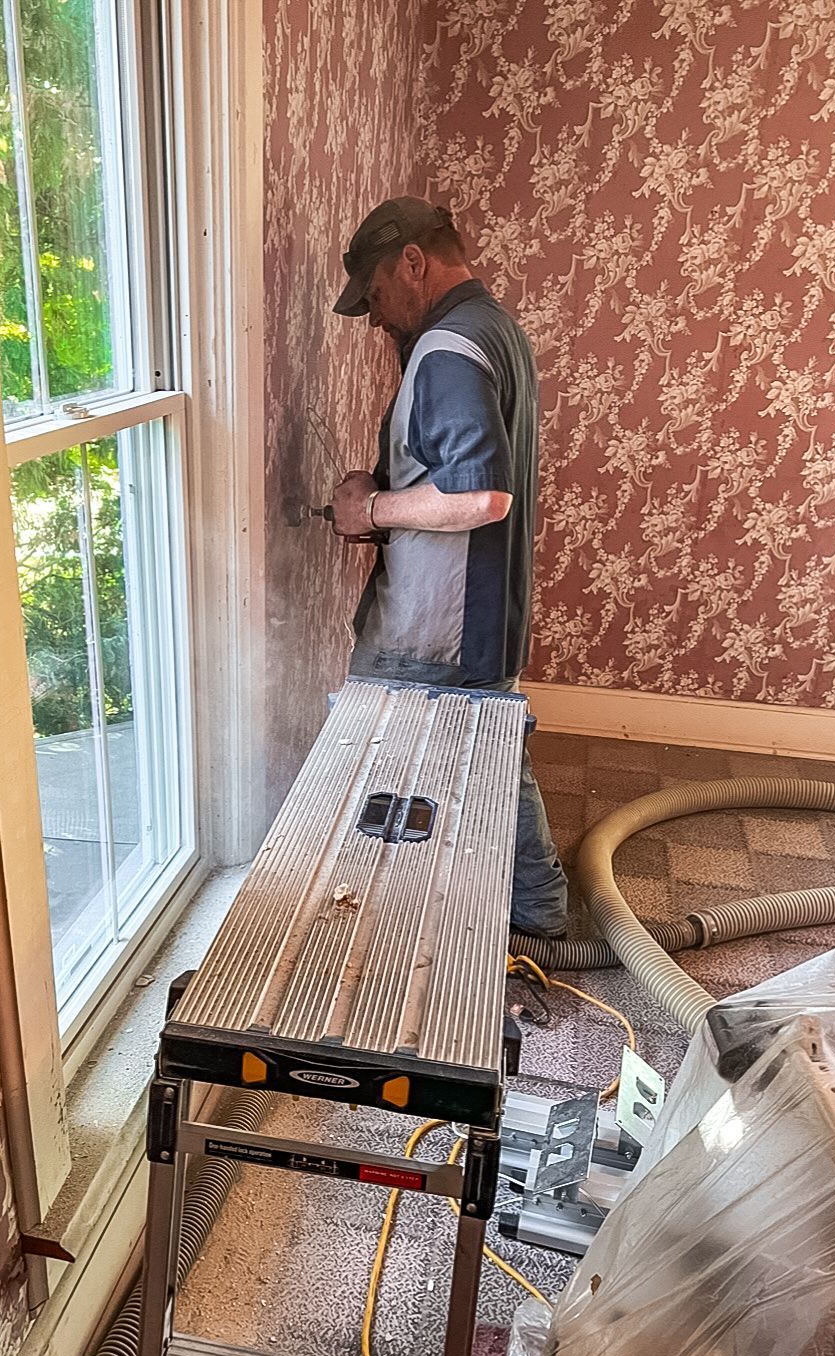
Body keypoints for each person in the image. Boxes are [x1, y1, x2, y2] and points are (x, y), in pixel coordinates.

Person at [330, 195, 568, 941]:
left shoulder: (446, 349)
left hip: (435, 624)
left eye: (373, 295)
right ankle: (539, 907)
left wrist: (369, 512)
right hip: (480, 609)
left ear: (412, 262)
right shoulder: (493, 328)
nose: (375, 319)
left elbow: (478, 494)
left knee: (377, 741)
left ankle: (383, 915)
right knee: (491, 750)